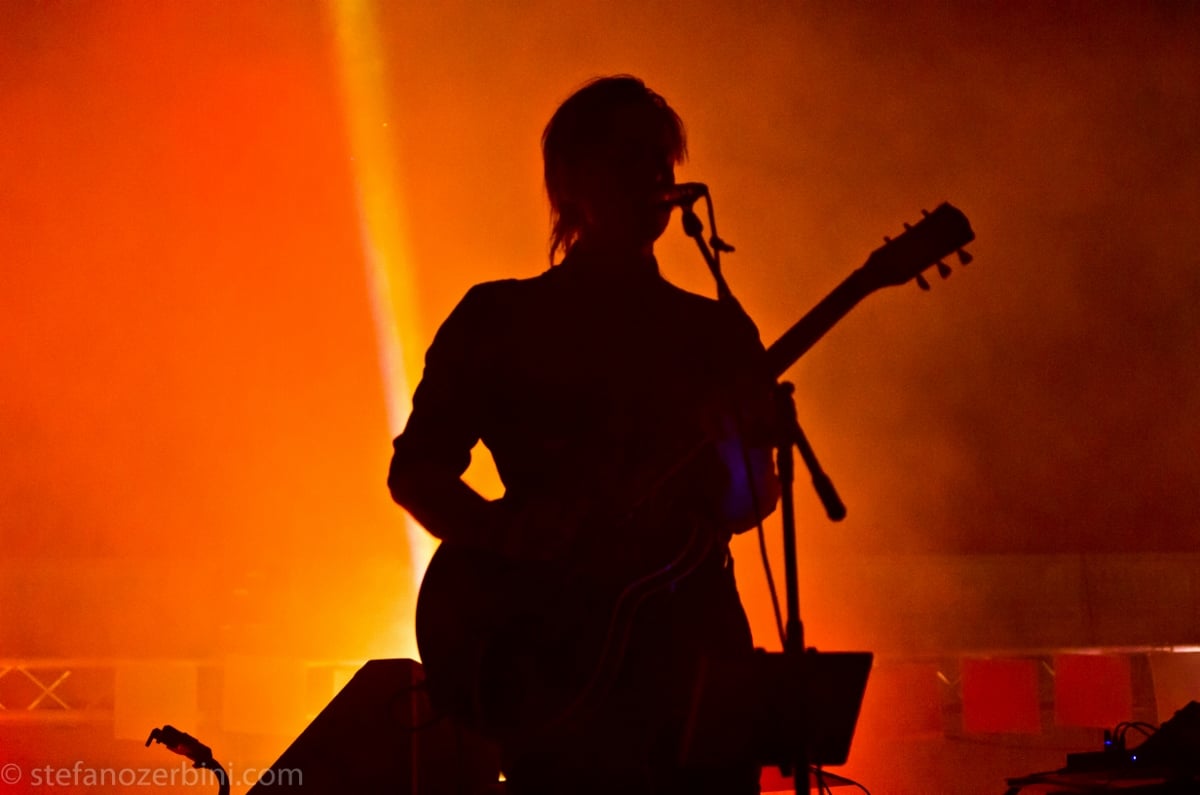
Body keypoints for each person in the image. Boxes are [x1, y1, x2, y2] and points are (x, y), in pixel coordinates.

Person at [388, 75, 780, 795]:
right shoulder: (499, 319)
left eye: (660, 162)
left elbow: (750, 503)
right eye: (627, 158)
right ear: (568, 181)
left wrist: (745, 449)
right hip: (555, 661)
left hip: (694, 651)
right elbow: (416, 470)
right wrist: (508, 533)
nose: (653, 179)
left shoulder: (714, 331)